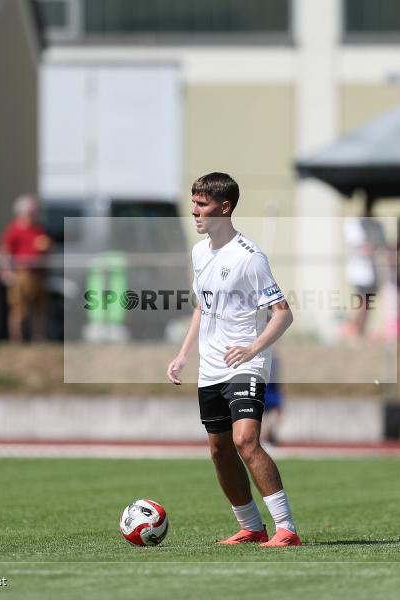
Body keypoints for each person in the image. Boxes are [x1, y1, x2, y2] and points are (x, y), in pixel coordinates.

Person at [167, 172, 300, 547]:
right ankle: (251, 526)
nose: (194, 212)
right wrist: (182, 354)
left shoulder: (250, 257)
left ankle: (286, 529)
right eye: (193, 203)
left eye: (202, 205)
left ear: (224, 208)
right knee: (219, 448)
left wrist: (253, 349)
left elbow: (283, 313)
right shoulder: (198, 253)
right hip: (210, 368)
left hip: (246, 364)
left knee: (246, 441)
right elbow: (201, 308)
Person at [0, 194, 51, 343]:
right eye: (33, 211)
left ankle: (38, 338)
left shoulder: (38, 229)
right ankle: (16, 339)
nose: (35, 213)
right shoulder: (14, 229)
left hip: (39, 274)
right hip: (22, 274)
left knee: (38, 309)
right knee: (19, 309)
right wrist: (6, 271)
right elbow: (5, 251)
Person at [343, 198, 385, 338]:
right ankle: (353, 330)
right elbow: (361, 246)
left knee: (367, 305)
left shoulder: (376, 224)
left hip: (373, 272)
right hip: (361, 272)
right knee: (362, 305)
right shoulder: (355, 223)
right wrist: (374, 248)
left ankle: (360, 331)